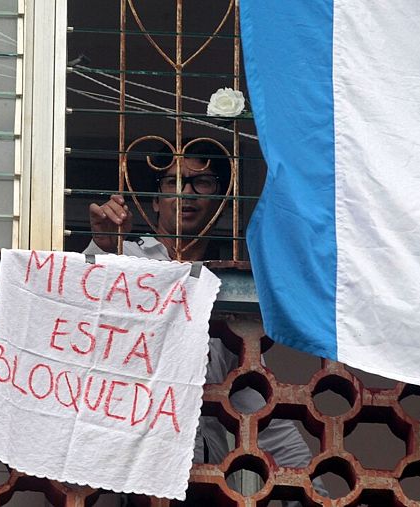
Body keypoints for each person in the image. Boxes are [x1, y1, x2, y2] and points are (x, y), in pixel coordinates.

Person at [84, 140, 327, 501]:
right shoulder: (129, 257)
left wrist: (316, 491)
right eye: (173, 182)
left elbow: (263, 412)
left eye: (202, 183)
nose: (186, 193)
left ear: (221, 202)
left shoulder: (223, 290)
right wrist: (103, 247)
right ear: (156, 201)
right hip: (128, 473)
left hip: (201, 477)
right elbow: (84, 304)